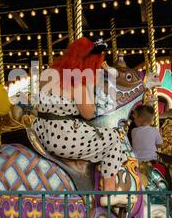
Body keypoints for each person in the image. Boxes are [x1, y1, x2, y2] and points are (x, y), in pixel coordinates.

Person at [32, 37, 127, 207]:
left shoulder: (49, 75)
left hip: (40, 132)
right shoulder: (77, 82)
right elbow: (89, 113)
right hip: (62, 136)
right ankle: (109, 192)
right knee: (113, 138)